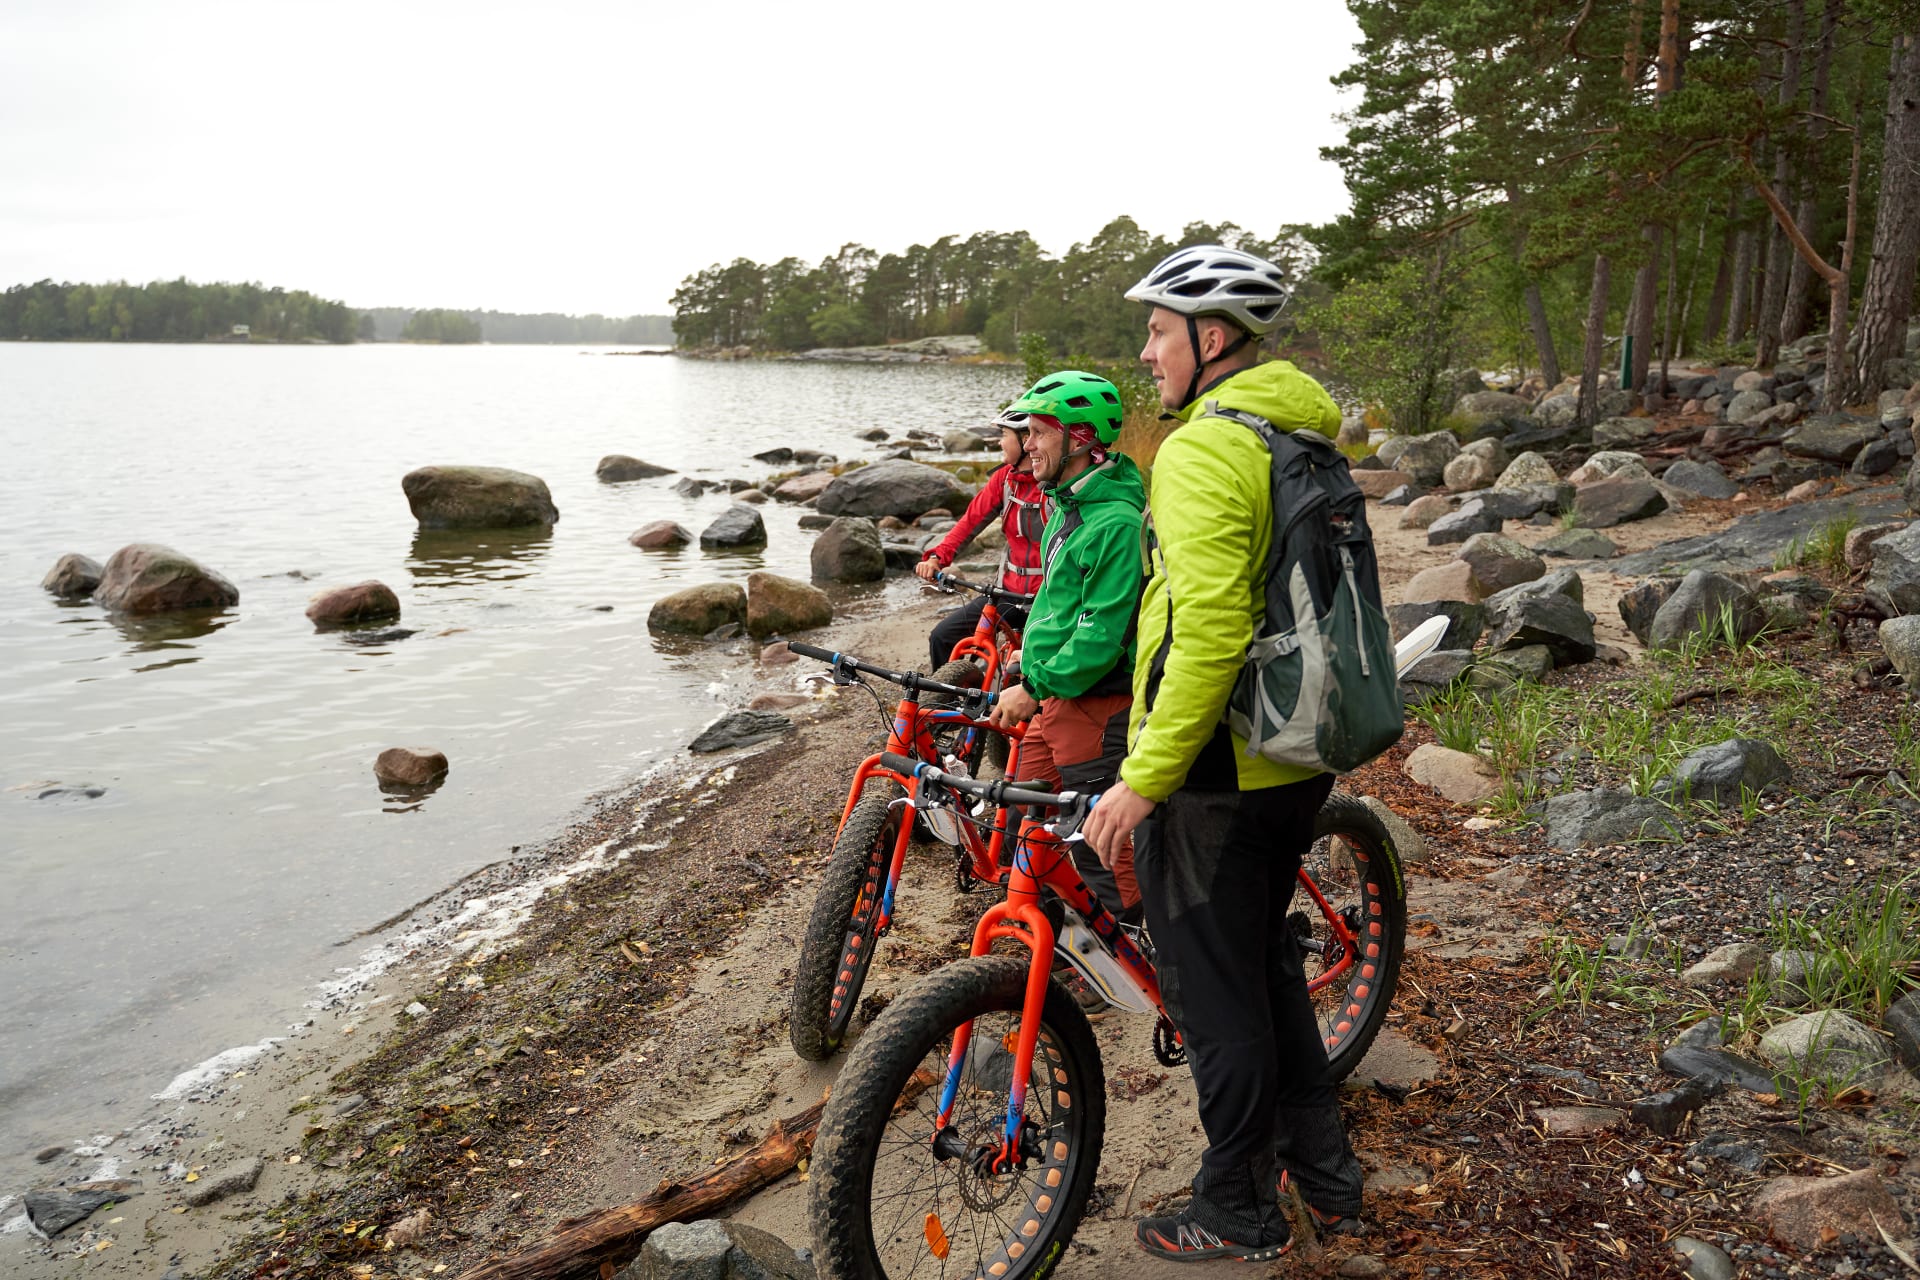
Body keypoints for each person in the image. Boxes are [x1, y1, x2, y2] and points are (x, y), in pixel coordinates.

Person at [1082, 245, 1364, 1262]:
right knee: (1266, 968)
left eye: (1158, 330)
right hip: (1293, 752)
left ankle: (1238, 1205)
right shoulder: (1297, 431)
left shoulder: (1205, 449)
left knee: (1216, 998)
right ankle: (1326, 1176)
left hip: (1220, 770)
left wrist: (1144, 777)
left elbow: (1206, 631)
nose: (1146, 351)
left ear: (1210, 338)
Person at [983, 370, 1144, 919]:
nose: (1027, 445)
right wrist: (1030, 655)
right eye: (1026, 433)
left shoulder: (1114, 523)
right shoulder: (1069, 507)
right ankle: (1059, 940)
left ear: (1081, 438)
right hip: (1058, 696)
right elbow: (1059, 604)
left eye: (1038, 433)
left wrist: (1034, 686)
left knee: (1100, 846)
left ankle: (1140, 951)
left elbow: (1102, 634)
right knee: (1025, 824)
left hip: (1096, 703)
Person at [914, 409, 1046, 670]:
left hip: (1047, 600)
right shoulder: (1004, 479)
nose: (999, 442)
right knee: (942, 637)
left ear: (1025, 440)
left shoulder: (1056, 487)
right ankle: (947, 694)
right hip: (1006, 593)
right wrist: (937, 557)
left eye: (1004, 435)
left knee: (1033, 668)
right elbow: (969, 523)